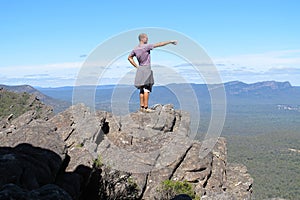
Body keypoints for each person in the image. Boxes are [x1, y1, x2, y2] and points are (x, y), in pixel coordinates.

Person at [128, 33, 177, 112]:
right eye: (147, 38)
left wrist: (137, 66)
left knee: (141, 89)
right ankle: (146, 108)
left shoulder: (135, 49)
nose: (147, 39)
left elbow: (129, 58)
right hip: (146, 68)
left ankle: (142, 107)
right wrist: (170, 41)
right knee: (147, 89)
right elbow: (159, 44)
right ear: (143, 39)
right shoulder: (146, 47)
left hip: (140, 69)